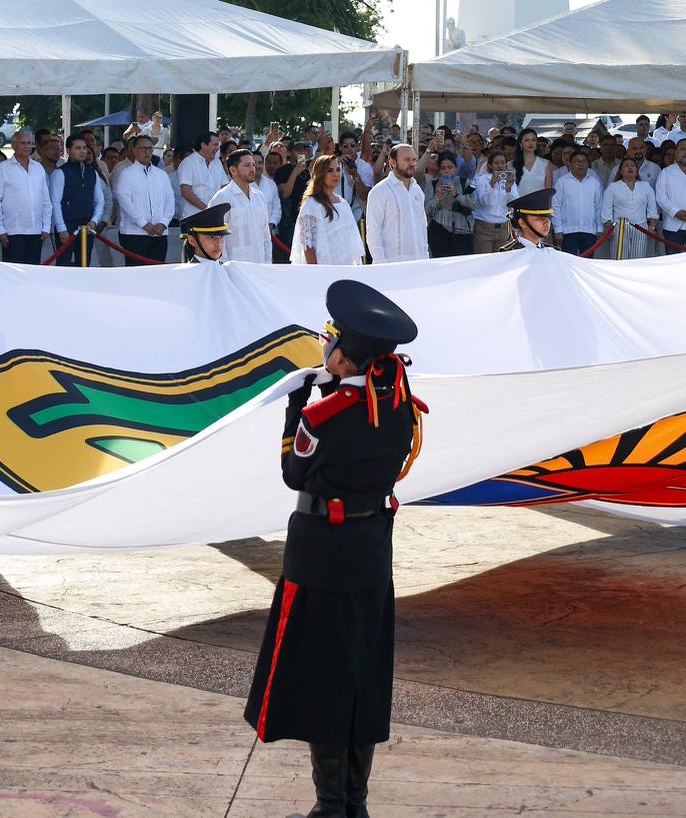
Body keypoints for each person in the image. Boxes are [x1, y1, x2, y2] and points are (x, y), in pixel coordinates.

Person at [244, 279, 424, 818]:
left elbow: (293, 472)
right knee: (363, 672)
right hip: (371, 548)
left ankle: (329, 807)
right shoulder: (400, 406)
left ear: (343, 355)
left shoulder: (325, 414)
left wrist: (298, 403)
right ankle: (354, 803)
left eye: (330, 340)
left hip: (322, 551)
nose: (325, 347)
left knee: (323, 674)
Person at [112, 134, 175, 266]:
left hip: (159, 233)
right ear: (134, 151)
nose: (147, 152)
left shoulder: (161, 174)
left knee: (157, 271)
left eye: (150, 148)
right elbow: (125, 202)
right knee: (136, 272)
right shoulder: (126, 173)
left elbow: (170, 200)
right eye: (143, 148)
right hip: (134, 233)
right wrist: (144, 224)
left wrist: (163, 223)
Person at [291, 155, 363, 266]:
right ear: (320, 174)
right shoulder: (311, 204)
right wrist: (316, 271)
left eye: (338, 170)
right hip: (323, 269)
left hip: (346, 268)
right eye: (330, 170)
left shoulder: (343, 203)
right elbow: (308, 244)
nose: (336, 174)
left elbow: (352, 240)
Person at [0, 130, 52, 264]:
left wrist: (46, 227)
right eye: (23, 143)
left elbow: (46, 200)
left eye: (29, 143)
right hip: (12, 232)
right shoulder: (3, 168)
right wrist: (0, 230)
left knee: (33, 273)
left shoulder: (38, 168)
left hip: (36, 231)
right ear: (14, 145)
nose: (27, 146)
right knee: (13, 273)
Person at [365, 145, 429, 263]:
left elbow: (422, 228)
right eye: (407, 160)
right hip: (392, 266)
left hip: (419, 264)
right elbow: (373, 233)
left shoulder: (417, 190)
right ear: (392, 163)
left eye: (414, 160)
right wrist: (382, 265)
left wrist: (425, 259)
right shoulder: (379, 191)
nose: (412, 163)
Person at [209, 150, 272, 263]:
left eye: (253, 165)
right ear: (233, 170)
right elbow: (215, 236)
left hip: (260, 265)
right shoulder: (222, 197)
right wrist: (225, 266)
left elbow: (266, 236)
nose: (252, 169)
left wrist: (267, 264)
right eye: (247, 165)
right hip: (234, 266)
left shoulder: (259, 196)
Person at [50, 134, 104, 267]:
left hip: (87, 227)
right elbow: (55, 203)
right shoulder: (60, 173)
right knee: (64, 265)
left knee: (84, 265)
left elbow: (99, 200)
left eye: (84, 148)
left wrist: (94, 221)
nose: (82, 151)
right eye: (78, 148)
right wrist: (61, 228)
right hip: (67, 227)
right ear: (68, 150)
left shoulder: (92, 172)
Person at [602, 157, 659, 259]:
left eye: (633, 166)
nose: (630, 168)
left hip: (641, 227)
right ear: (620, 171)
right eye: (626, 166)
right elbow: (606, 209)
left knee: (638, 260)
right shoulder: (613, 187)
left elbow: (652, 209)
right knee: (619, 259)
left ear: (637, 170)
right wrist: (608, 229)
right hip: (619, 228)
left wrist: (652, 227)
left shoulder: (645, 186)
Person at [424, 152, 477, 258]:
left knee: (463, 265)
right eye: (443, 168)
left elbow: (474, 205)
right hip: (440, 230)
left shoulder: (465, 183)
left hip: (463, 233)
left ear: (456, 169)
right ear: (439, 170)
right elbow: (426, 211)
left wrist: (456, 195)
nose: (446, 171)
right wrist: (437, 198)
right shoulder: (432, 185)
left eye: (450, 167)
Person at [553, 150, 604, 255]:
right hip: (568, 231)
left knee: (587, 261)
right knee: (568, 262)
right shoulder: (562, 182)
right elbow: (555, 206)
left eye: (584, 161)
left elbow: (599, 206)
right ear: (570, 164)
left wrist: (599, 228)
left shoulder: (594, 182)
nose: (580, 164)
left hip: (590, 231)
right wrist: (558, 230)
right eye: (577, 161)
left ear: (588, 164)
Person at [471, 151, 519, 253]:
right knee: (484, 259)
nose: (500, 166)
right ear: (490, 165)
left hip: (503, 227)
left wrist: (508, 189)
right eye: (496, 163)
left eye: (503, 162)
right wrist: (491, 185)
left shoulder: (509, 180)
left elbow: (514, 202)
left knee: (501, 260)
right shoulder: (481, 180)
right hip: (484, 227)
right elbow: (484, 202)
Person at [177, 131, 226, 224]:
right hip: (193, 218)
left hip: (215, 217)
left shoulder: (217, 163)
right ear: (203, 145)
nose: (218, 148)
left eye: (218, 145)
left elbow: (224, 187)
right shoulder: (188, 163)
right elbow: (186, 192)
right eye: (215, 144)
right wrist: (207, 210)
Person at [655, 141, 686, 254]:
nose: (685, 152)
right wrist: (675, 212)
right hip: (672, 227)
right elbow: (661, 197)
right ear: (676, 153)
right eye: (683, 149)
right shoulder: (666, 172)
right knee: (673, 261)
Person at [513, 128, 554, 196]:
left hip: (540, 202)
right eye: (527, 140)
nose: (530, 143)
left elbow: (548, 192)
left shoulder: (545, 164)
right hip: (517, 202)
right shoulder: (511, 165)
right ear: (520, 144)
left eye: (533, 140)